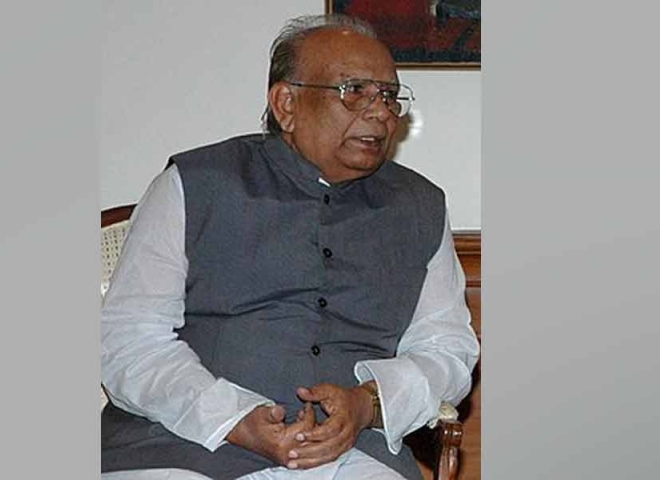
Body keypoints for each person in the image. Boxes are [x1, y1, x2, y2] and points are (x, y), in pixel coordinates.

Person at [101, 13, 479, 480]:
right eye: (355, 91)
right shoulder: (194, 185)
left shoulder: (419, 206)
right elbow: (130, 339)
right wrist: (234, 417)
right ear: (286, 103)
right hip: (186, 445)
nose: (381, 112)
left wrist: (369, 403)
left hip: (353, 452)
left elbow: (447, 349)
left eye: (388, 96)